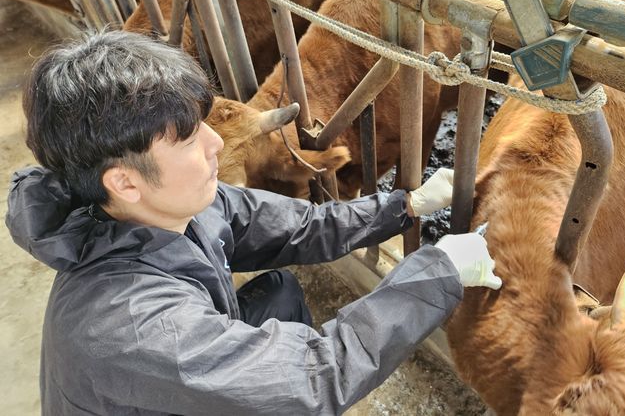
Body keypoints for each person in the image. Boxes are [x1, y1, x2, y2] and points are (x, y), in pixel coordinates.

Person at [6, 30, 502, 415]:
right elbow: (313, 380)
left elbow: (302, 227)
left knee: (279, 294)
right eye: (188, 139)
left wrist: (406, 205)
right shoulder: (133, 327)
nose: (217, 142)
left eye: (204, 123)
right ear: (125, 182)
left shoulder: (165, 208)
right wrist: (436, 273)